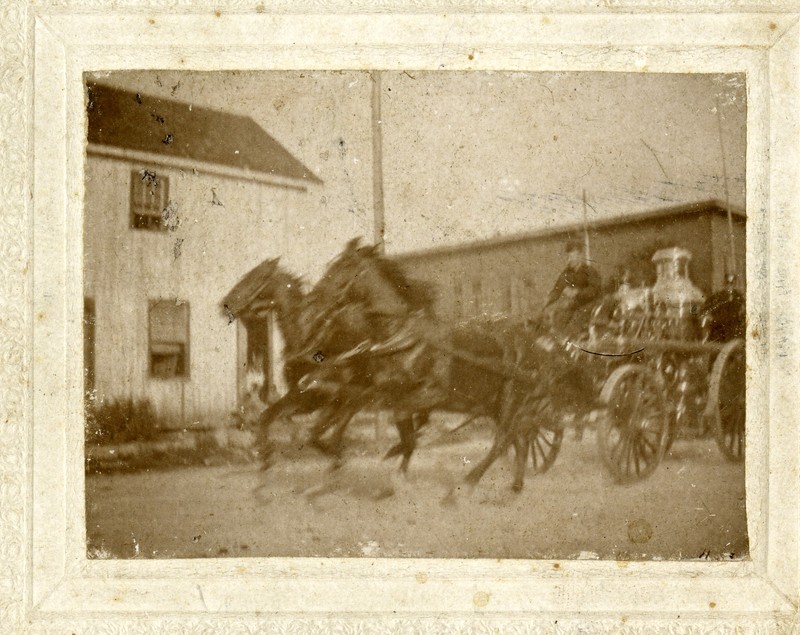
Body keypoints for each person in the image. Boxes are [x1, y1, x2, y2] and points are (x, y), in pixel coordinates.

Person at [542, 239, 602, 336]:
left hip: (591, 305)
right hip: (576, 305)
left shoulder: (589, 271)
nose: (570, 259)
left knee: (575, 323)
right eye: (569, 256)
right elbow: (557, 289)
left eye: (573, 256)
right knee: (558, 319)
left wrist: (577, 292)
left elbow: (595, 290)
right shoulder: (567, 273)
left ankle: (577, 342)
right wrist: (549, 299)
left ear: (580, 255)